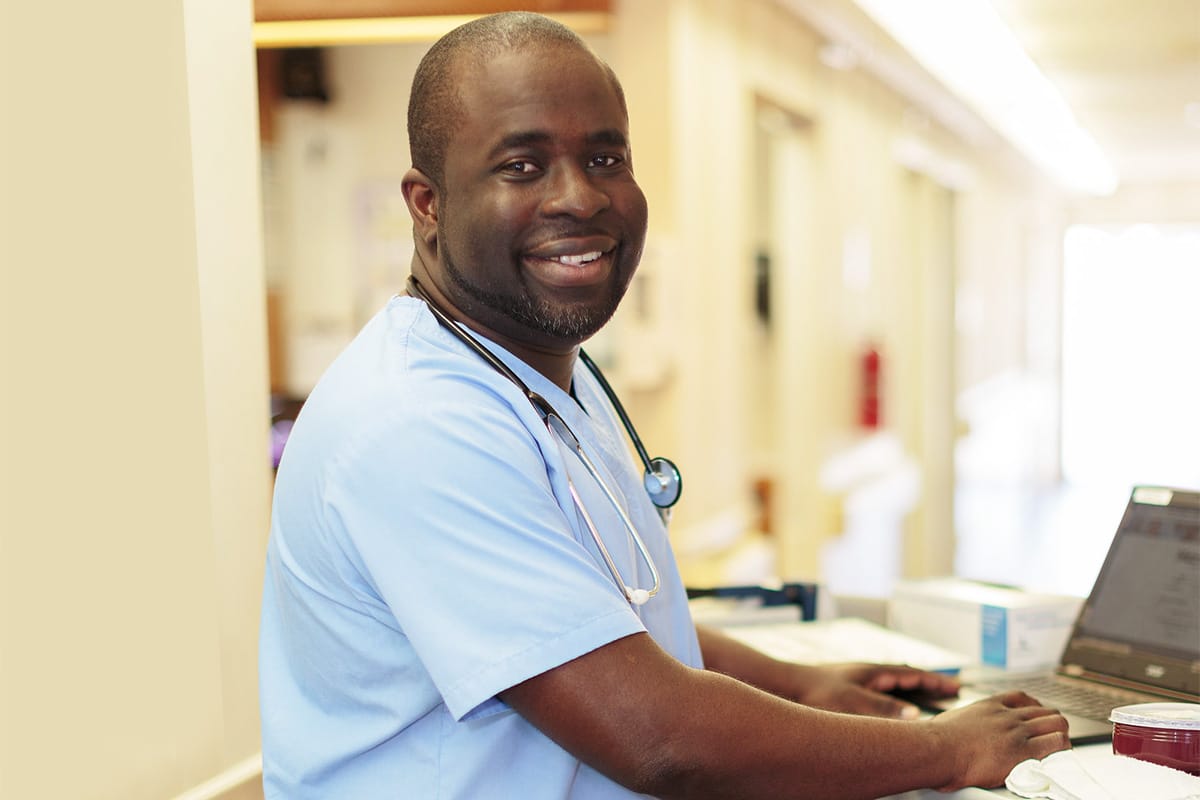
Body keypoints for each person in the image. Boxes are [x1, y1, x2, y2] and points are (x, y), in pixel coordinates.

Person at [258, 11, 1070, 799]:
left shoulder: (534, 375)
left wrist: (800, 686)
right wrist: (945, 749)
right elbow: (661, 741)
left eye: (606, 157)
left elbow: (591, 623)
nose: (578, 196)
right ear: (426, 203)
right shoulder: (417, 423)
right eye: (522, 165)